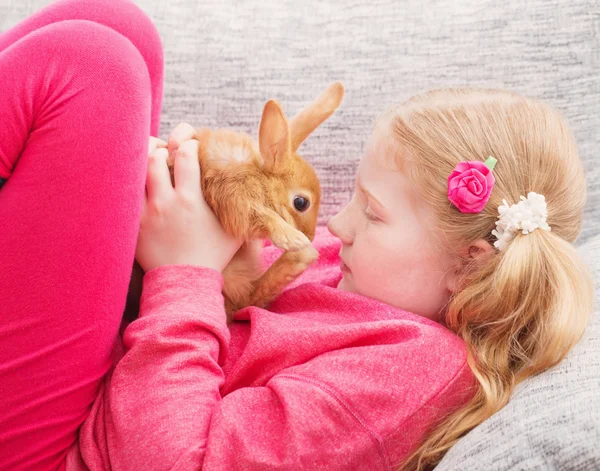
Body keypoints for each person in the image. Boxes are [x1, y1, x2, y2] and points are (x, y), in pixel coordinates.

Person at [0, 1, 593, 471]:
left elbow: (174, 461)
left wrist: (183, 273)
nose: (338, 223)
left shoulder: (409, 374)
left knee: (93, 64)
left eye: (372, 211)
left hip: (66, 448)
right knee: (118, 26)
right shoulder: (373, 277)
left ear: (468, 264)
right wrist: (184, 190)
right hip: (99, 365)